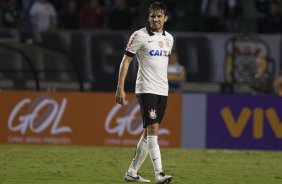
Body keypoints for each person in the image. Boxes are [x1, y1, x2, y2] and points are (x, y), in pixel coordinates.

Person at [115, 2, 173, 183]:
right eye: (152, 16)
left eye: (159, 16)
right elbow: (126, 61)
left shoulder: (169, 38)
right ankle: (159, 174)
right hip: (145, 89)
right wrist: (120, 87)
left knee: (149, 133)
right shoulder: (139, 36)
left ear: (165, 18)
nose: (155, 19)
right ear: (148, 17)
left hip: (163, 91)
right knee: (154, 129)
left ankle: (131, 172)